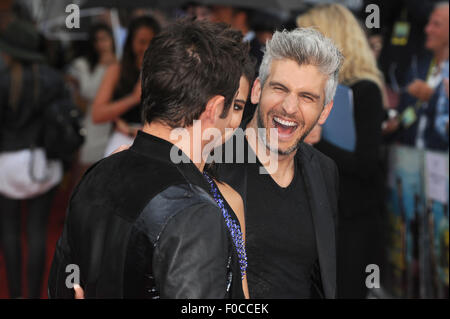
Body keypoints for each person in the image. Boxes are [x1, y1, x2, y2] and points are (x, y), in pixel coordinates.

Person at [48, 19, 250, 299]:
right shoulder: (192, 211)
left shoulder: (97, 174)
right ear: (214, 109)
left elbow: (63, 286)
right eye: (235, 106)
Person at [216, 27, 343, 299]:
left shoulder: (324, 171)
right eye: (280, 88)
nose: (289, 107)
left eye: (307, 97)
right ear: (257, 90)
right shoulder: (212, 160)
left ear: (325, 111)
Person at [297, 4, 386, 298]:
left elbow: (366, 163)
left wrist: (319, 140)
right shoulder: (316, 90)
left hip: (351, 220)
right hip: (319, 214)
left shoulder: (365, 91)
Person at [0, 20, 67, 298]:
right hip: (44, 163)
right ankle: (35, 293)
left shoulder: (3, 79)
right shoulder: (53, 78)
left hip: (6, 165)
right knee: (38, 231)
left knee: (10, 232)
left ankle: (15, 294)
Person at [91, 16, 160, 157]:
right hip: (123, 141)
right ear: (131, 43)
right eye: (141, 42)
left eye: (151, 42)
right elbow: (97, 114)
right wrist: (133, 98)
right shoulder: (117, 70)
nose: (146, 48)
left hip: (156, 142)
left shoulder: (166, 71)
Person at [388, 2, 449, 150]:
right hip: (407, 164)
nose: (427, 29)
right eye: (429, 23)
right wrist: (392, 126)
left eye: (436, 24)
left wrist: (432, 97)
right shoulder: (417, 69)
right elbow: (406, 115)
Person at [67, 23, 116, 168]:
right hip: (90, 123)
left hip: (112, 124)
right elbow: (88, 92)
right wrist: (103, 66)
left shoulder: (120, 63)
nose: (102, 44)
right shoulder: (82, 65)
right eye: (98, 40)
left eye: (105, 39)